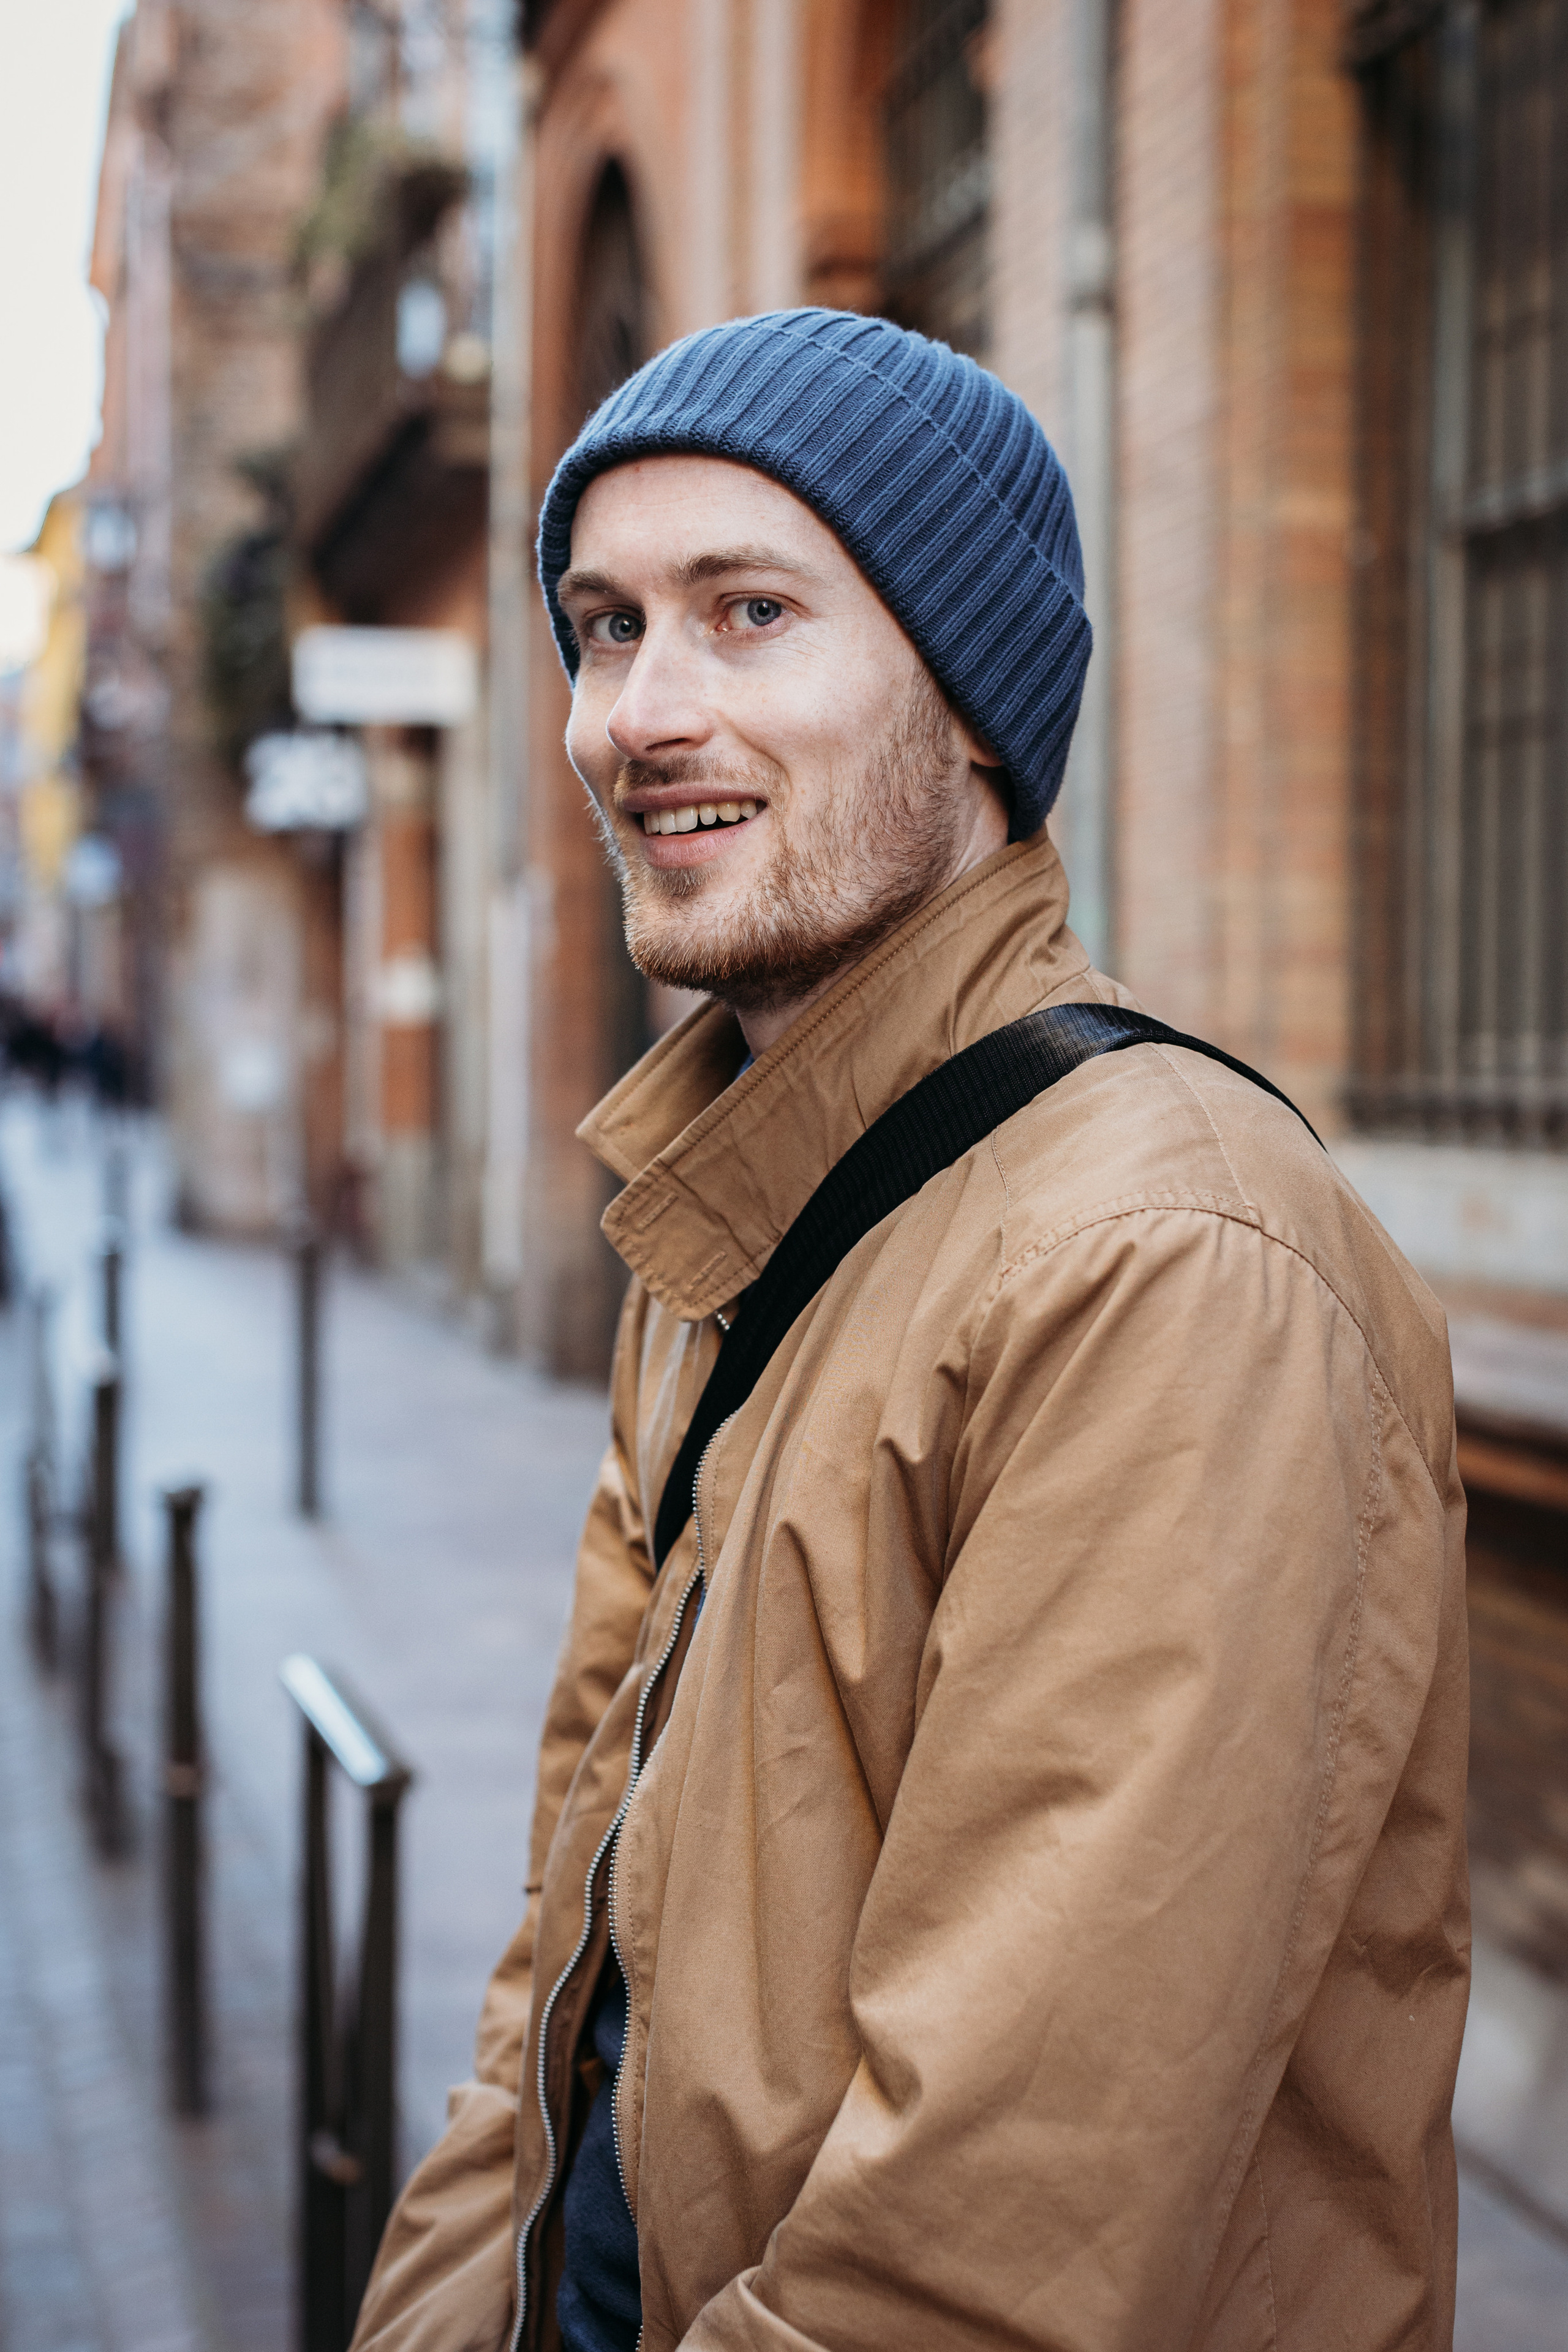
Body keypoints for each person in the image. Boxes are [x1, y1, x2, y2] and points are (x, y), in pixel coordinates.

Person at [352, 311, 1469, 2352]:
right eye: (605, 627)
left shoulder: (1161, 1262)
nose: (635, 713)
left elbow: (985, 2251)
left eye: (750, 612)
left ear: (968, 702)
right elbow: (561, 1978)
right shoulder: (725, 1212)